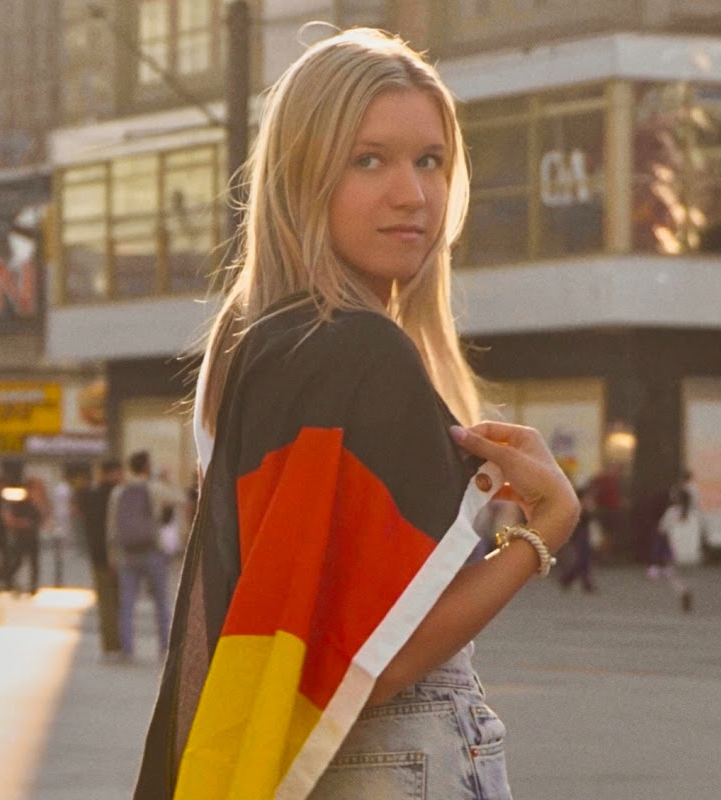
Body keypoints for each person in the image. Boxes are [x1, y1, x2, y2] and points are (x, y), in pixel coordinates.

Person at [132, 29, 579, 800]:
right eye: (369, 160)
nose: (413, 194)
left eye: (430, 161)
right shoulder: (356, 349)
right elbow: (378, 653)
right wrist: (546, 529)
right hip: (399, 754)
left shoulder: (255, 341)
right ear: (303, 176)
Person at [107, 450, 183, 663]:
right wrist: (169, 479)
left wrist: (113, 556)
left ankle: (127, 649)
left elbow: (111, 526)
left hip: (127, 553)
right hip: (152, 551)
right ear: (147, 467)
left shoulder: (119, 491)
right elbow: (180, 499)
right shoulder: (154, 488)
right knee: (161, 602)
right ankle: (165, 648)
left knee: (126, 604)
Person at [82, 458, 123, 661]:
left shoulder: (90, 495)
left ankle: (110, 644)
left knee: (106, 602)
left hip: (97, 555)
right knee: (116, 601)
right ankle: (117, 643)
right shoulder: (117, 495)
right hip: (115, 556)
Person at [648, 486, 695, 612]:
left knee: (674, 574)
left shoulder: (671, 512)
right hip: (692, 549)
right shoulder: (693, 512)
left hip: (676, 548)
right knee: (687, 573)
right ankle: (687, 589)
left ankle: (683, 591)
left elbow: (662, 529)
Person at [558, 482, 599, 593]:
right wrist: (588, 509)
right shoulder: (578, 505)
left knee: (585, 559)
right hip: (579, 533)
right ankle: (569, 579)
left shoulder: (586, 503)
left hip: (584, 532)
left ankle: (579, 581)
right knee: (582, 558)